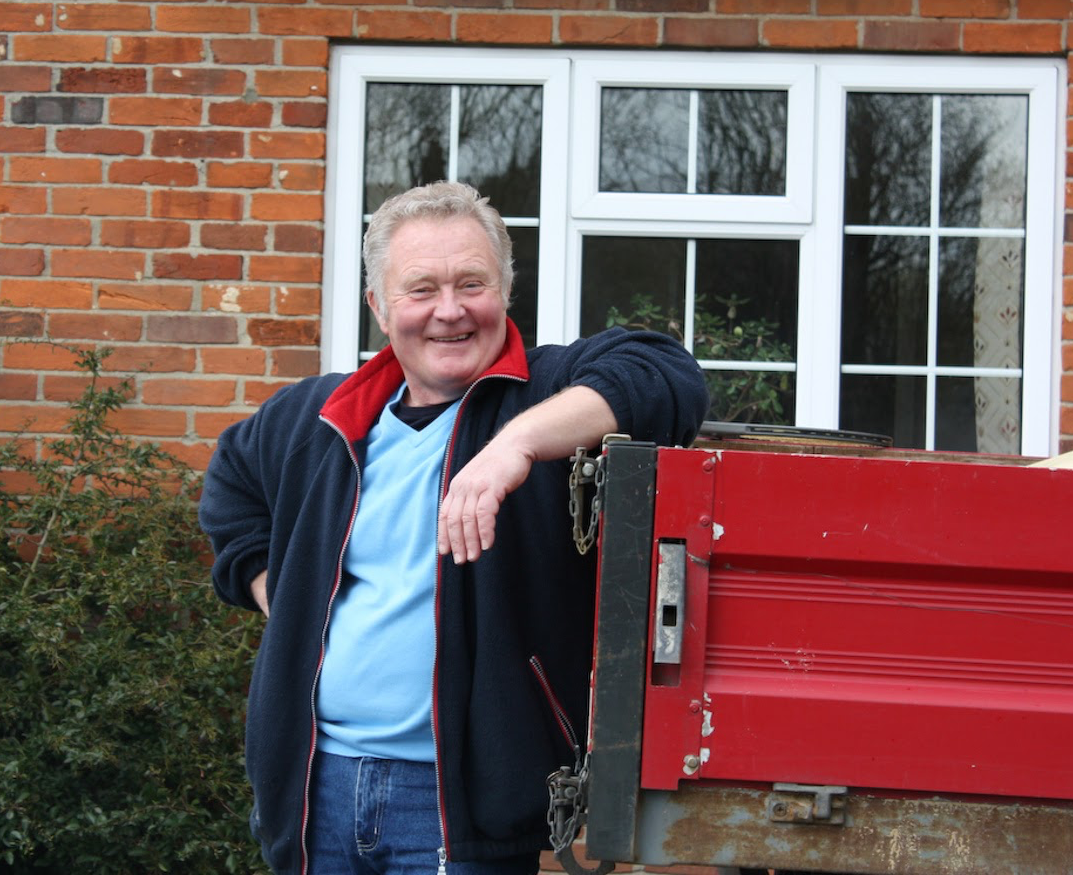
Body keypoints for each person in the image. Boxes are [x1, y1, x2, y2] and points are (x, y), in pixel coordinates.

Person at [199, 181, 708, 875]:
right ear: (379, 306)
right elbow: (229, 481)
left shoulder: (546, 390)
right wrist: (276, 593)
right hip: (315, 786)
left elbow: (663, 375)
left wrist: (516, 446)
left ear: (504, 288)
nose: (449, 311)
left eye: (472, 282)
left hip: (459, 802)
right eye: (421, 289)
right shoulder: (320, 416)